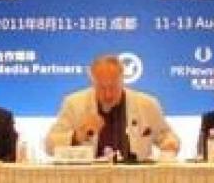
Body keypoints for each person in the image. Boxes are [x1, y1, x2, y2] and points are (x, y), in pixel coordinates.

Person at [46, 54, 179, 160]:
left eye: (113, 87)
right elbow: (49, 145)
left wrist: (170, 145)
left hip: (134, 181)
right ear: (92, 82)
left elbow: (167, 136)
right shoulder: (74, 104)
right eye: (102, 88)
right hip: (89, 181)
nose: (108, 94)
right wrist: (76, 137)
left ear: (122, 80)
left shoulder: (147, 104)